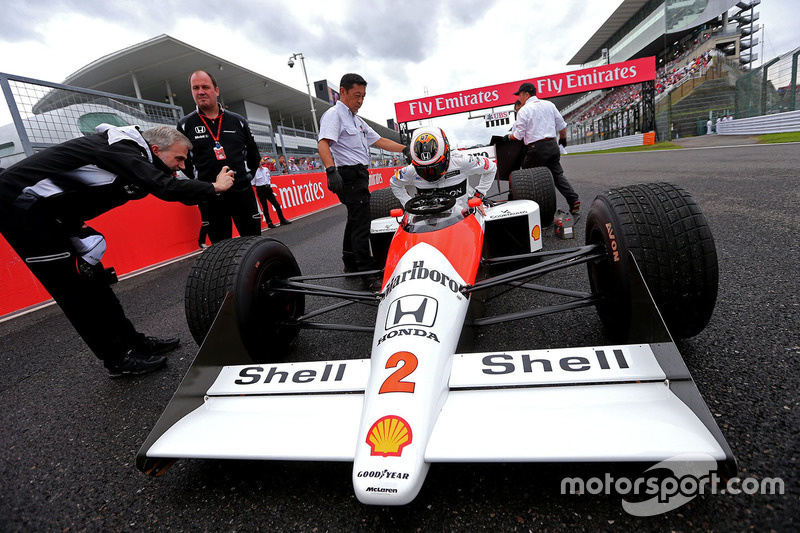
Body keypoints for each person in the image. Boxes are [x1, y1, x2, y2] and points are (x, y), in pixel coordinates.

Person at [0, 125, 234, 378]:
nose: (181, 166)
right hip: (22, 210)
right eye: (178, 158)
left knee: (95, 278)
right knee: (75, 290)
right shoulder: (122, 149)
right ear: (155, 150)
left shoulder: (131, 152)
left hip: (53, 214)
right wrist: (214, 187)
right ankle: (117, 359)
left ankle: (133, 342)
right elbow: (166, 188)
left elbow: (175, 190)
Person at [318, 72, 407, 273]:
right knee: (361, 223)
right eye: (357, 95)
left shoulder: (356, 120)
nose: (360, 101)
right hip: (348, 175)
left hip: (358, 175)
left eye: (363, 96)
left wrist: (405, 149)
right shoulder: (335, 115)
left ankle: (350, 263)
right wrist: (331, 171)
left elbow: (380, 141)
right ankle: (366, 271)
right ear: (342, 91)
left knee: (354, 219)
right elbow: (323, 143)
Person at [178, 70, 262, 244]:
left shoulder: (237, 120)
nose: (200, 91)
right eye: (195, 88)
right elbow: (182, 161)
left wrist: (246, 178)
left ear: (216, 90)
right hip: (210, 196)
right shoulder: (185, 124)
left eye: (205, 87)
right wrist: (202, 184)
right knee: (221, 250)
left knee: (254, 244)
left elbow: (254, 154)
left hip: (242, 193)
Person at [509, 82, 580, 216]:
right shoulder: (549, 104)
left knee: (528, 179)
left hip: (536, 149)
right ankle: (573, 199)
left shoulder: (524, 110)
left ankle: (532, 211)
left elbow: (518, 136)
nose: (519, 98)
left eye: (520, 95)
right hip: (552, 145)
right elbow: (561, 126)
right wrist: (563, 139)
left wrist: (509, 136)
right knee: (557, 175)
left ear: (526, 94)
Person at [390, 126, 495, 210]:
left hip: (464, 213)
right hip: (428, 217)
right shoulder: (411, 170)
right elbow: (394, 182)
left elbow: (491, 166)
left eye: (435, 168)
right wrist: (407, 204)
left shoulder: (461, 161)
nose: (430, 174)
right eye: (423, 169)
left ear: (446, 156)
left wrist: (479, 194)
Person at [252, 156, 291, 228]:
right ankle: (269, 222)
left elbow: (268, 178)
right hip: (261, 189)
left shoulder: (266, 169)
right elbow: (253, 183)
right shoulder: (254, 172)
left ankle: (282, 219)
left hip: (268, 188)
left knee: (276, 204)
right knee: (265, 207)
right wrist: (260, 187)